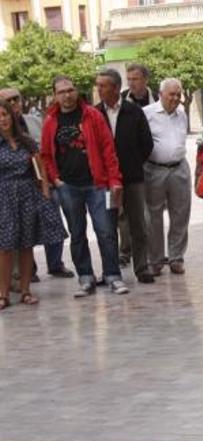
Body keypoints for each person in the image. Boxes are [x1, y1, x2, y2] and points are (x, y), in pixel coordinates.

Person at [42, 75, 128, 297]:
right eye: (61, 92)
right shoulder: (51, 121)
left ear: (76, 90)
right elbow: (46, 155)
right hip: (68, 186)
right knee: (77, 234)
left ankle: (112, 276)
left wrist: (114, 180)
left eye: (70, 90)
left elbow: (108, 150)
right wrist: (56, 179)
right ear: (55, 95)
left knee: (106, 231)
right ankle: (86, 278)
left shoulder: (92, 115)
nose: (67, 95)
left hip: (97, 184)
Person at [0, 87, 73, 279]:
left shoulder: (34, 121)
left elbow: (45, 151)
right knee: (16, 233)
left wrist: (48, 183)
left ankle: (55, 264)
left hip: (43, 182)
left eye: (17, 99)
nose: (14, 103)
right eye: (9, 100)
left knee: (53, 220)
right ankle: (25, 273)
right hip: (12, 189)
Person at [95, 69, 155, 284]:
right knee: (107, 227)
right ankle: (110, 271)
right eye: (98, 85)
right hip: (105, 183)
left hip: (132, 179)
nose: (99, 89)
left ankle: (142, 268)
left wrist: (131, 164)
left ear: (115, 87)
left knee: (139, 224)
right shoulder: (94, 113)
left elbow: (146, 143)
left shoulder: (133, 111)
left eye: (103, 85)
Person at [143, 79, 191, 277]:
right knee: (152, 217)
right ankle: (155, 260)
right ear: (161, 94)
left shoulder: (182, 113)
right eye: (172, 94)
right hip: (154, 170)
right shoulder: (147, 113)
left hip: (179, 168)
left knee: (180, 215)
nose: (176, 98)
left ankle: (176, 258)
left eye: (178, 94)